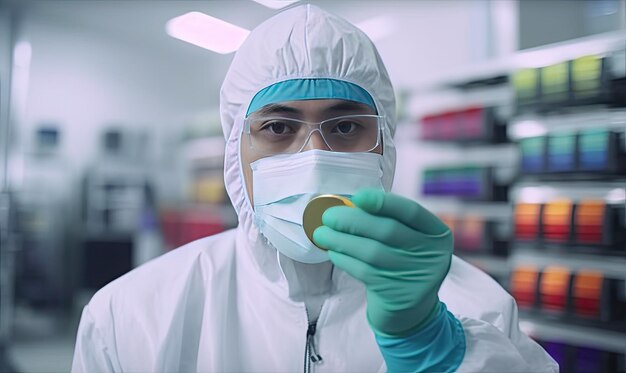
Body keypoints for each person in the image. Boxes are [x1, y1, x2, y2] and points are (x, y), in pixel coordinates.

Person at [72, 4, 558, 372]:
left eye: (345, 128)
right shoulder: (133, 316)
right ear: (234, 151)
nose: (313, 157)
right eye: (279, 129)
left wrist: (435, 345)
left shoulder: (478, 308)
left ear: (384, 146)